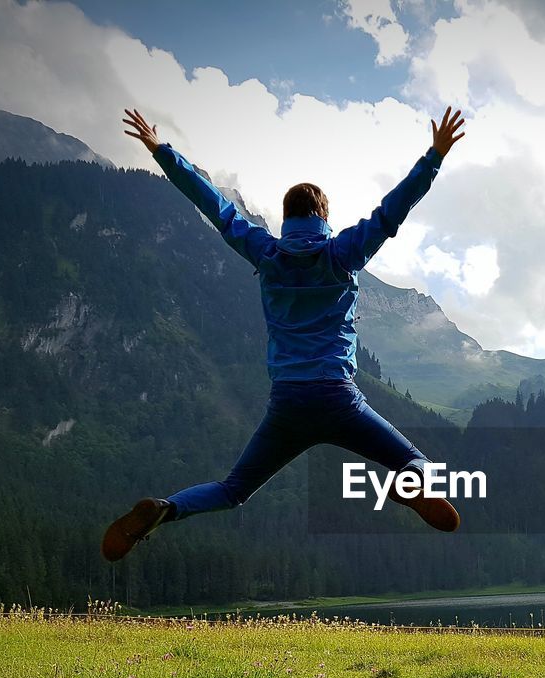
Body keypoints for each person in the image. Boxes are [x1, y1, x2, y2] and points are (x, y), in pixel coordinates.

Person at [101, 106, 466, 562]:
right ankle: (404, 482)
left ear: (286, 218)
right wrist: (433, 157)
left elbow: (214, 206)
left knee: (234, 489)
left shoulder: (265, 252)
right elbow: (391, 214)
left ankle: (166, 508)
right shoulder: (342, 253)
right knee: (421, 467)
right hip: (338, 399)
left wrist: (163, 151)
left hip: (288, 403)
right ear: (324, 217)